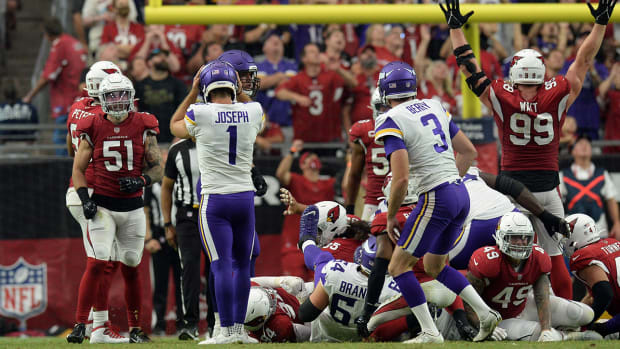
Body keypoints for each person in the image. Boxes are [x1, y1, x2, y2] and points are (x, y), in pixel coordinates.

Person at [440, 0, 616, 299]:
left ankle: (498, 306)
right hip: (548, 188)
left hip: (511, 188)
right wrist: (600, 24)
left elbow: (468, 66)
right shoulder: (557, 93)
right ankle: (566, 318)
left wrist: (456, 29)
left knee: (502, 254)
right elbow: (585, 59)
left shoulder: (501, 96)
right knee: (555, 257)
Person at [373, 61, 499, 343]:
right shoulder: (434, 105)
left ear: (385, 90)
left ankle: (430, 332)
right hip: (459, 193)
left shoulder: (391, 119)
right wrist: (450, 180)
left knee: (397, 267)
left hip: (437, 197)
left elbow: (401, 178)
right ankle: (486, 314)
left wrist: (392, 215)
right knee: (434, 266)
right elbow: (468, 152)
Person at [169, 61, 263, 344]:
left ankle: (224, 330)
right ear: (234, 87)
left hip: (215, 200)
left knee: (220, 264)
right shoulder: (253, 111)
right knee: (243, 264)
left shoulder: (200, 112)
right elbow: (258, 115)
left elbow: (174, 126)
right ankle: (239, 331)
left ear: (205, 90)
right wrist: (239, 89)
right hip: (244, 198)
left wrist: (192, 90)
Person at [72, 73, 162, 343]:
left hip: (134, 207)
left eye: (123, 95)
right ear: (102, 99)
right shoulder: (92, 124)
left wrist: (142, 179)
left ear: (131, 96)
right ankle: (80, 325)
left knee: (132, 265)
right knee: (98, 261)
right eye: (112, 96)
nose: (118, 101)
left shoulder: (145, 124)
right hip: (103, 205)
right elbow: (77, 168)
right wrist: (84, 197)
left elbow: (157, 167)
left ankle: (135, 328)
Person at [65, 61, 128, 344]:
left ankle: (96, 323)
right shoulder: (103, 116)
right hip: (91, 192)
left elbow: (71, 148)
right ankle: (95, 325)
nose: (118, 97)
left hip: (82, 188)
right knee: (100, 261)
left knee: (107, 260)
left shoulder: (77, 106)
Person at [466, 212, 597, 342]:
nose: (521, 242)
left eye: (525, 238)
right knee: (536, 333)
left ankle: (558, 330)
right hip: (500, 319)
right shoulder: (488, 261)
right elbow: (468, 301)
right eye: (515, 237)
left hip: (524, 307)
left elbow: (542, 296)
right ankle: (567, 336)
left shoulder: (537, 257)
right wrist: (483, 325)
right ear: (502, 237)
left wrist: (546, 329)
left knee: (583, 314)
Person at [296, 207, 400, 342]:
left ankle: (306, 241)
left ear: (362, 254)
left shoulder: (335, 269)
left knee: (319, 271)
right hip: (366, 338)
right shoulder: (396, 289)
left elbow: (305, 314)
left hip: (326, 337)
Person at [160, 137, 205, 340]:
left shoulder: (219, 140)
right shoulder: (177, 150)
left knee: (217, 268)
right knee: (189, 266)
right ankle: (190, 324)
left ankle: (219, 323)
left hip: (215, 211)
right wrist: (168, 223)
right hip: (187, 214)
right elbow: (166, 186)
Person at [22, 17, 86, 156]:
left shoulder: (59, 45)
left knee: (61, 140)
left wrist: (29, 96)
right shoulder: (73, 42)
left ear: (47, 34)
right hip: (80, 100)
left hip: (67, 102)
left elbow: (47, 76)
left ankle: (62, 173)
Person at [276, 139, 336, 280]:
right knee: (294, 287)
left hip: (319, 246)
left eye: (315, 158)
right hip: (294, 246)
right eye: (309, 158)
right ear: (302, 164)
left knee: (318, 288)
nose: (313, 160)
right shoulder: (296, 180)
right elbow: (281, 173)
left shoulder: (327, 184)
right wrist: (292, 151)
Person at [275, 43, 348, 144]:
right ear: (304, 59)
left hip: (329, 137)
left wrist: (338, 69)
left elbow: (353, 84)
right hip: (304, 138)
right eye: (312, 52)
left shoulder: (331, 75)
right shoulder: (298, 79)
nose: (317, 54)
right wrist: (297, 97)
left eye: (318, 51)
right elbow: (279, 92)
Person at [563, 213, 620, 338]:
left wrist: (588, 326)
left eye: (565, 235)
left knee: (597, 333)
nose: (563, 240)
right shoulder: (612, 242)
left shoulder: (583, 256)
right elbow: (592, 296)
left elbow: (604, 294)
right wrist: (575, 322)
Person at [560, 135, 620, 239]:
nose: (584, 146)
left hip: (600, 231)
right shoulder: (563, 175)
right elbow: (557, 203)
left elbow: (611, 200)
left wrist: (617, 223)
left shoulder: (602, 174)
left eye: (587, 144)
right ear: (572, 151)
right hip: (573, 233)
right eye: (580, 144)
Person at [144, 182, 183, 336]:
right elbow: (144, 210)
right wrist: (148, 238)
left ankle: (184, 324)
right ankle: (159, 325)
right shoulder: (151, 183)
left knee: (183, 283)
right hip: (159, 235)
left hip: (180, 233)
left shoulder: (180, 179)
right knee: (160, 284)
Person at [344, 89, 389, 221]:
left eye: (389, 106)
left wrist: (350, 206)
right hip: (375, 200)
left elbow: (354, 175)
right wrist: (350, 207)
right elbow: (355, 174)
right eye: (383, 107)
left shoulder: (365, 130)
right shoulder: (364, 131)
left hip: (405, 197)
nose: (386, 111)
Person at [134, 48, 187, 144]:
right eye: (158, 56)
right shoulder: (139, 86)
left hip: (174, 139)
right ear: (149, 62)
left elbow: (185, 111)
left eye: (165, 56)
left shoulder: (178, 85)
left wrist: (179, 136)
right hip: (148, 139)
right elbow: (135, 114)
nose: (163, 58)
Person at [255, 33, 297, 134]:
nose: (276, 41)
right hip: (266, 122)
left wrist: (269, 80)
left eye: (278, 41)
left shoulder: (292, 65)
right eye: (271, 40)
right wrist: (279, 76)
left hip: (289, 120)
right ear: (264, 48)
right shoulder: (257, 65)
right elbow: (258, 84)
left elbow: (294, 85)